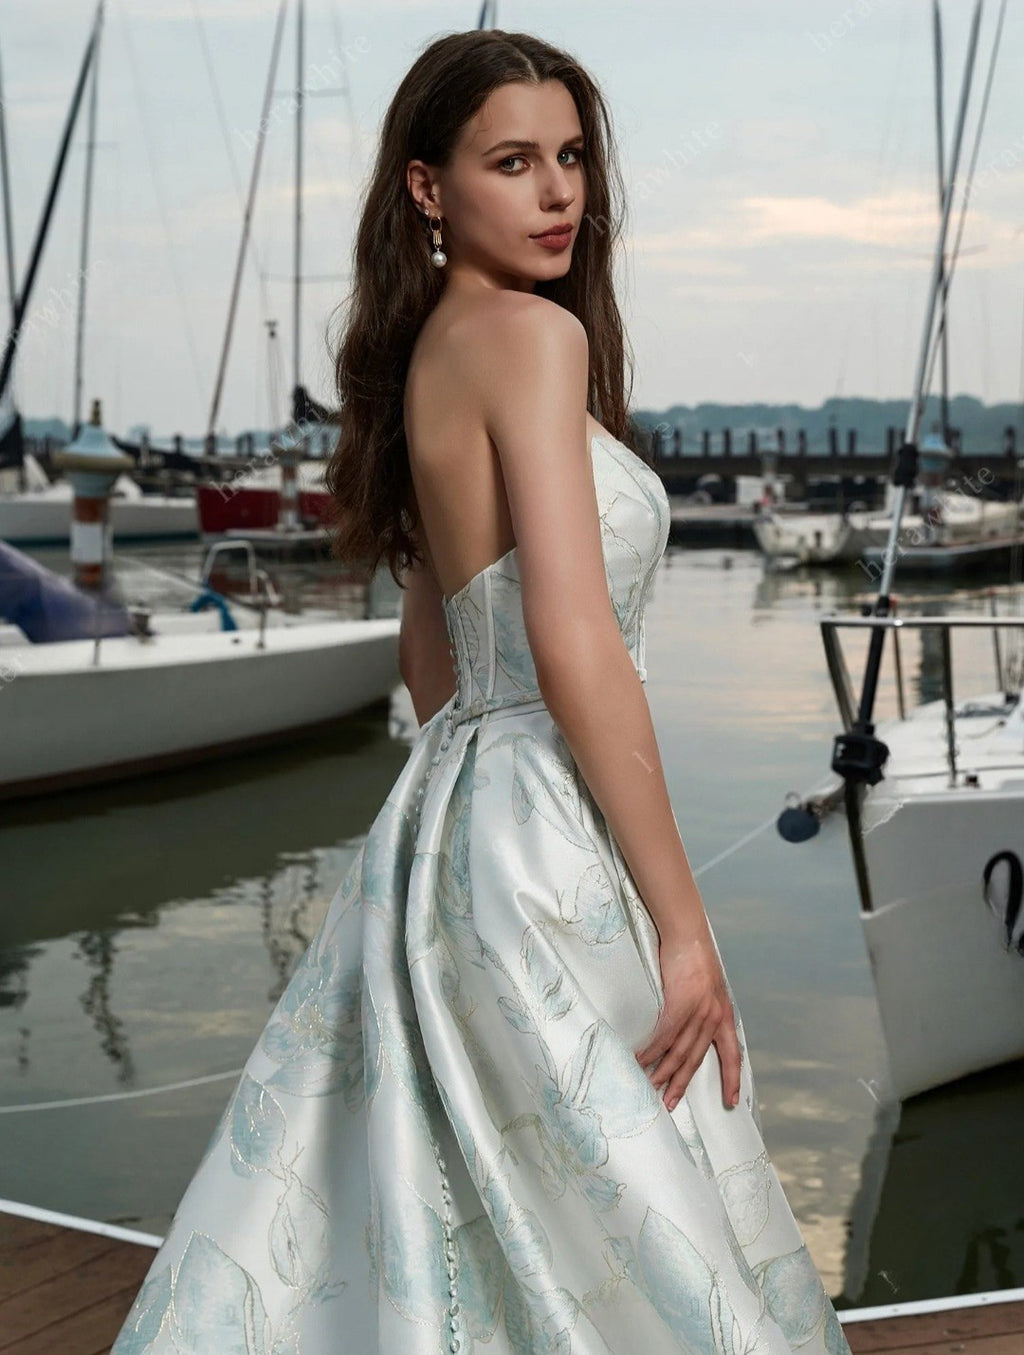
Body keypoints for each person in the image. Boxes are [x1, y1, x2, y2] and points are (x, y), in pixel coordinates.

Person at [112, 29, 852, 1355]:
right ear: (428, 189)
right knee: (610, 1211)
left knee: (473, 1206)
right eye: (513, 162)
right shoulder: (530, 336)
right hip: (542, 835)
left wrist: (475, 789)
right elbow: (572, 647)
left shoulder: (431, 355)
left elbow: (432, 661)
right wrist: (683, 926)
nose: (560, 192)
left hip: (457, 820)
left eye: (571, 158)